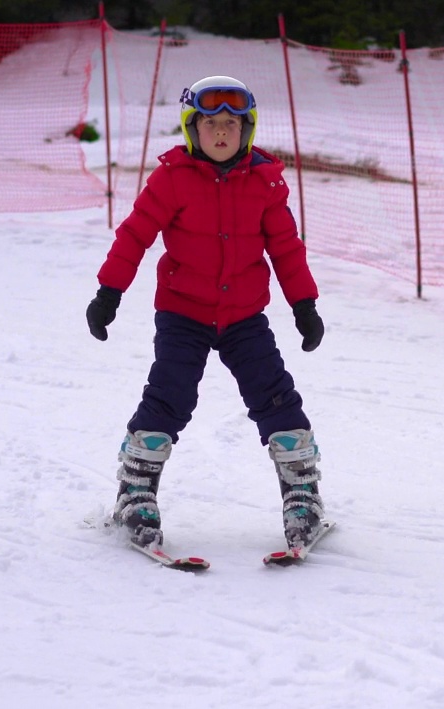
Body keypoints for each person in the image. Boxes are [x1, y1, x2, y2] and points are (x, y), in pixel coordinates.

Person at [85, 75, 327, 552]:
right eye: (211, 123)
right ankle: (135, 492)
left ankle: (303, 494)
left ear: (247, 131)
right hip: (183, 314)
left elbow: (286, 248)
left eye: (232, 125)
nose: (221, 133)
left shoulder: (264, 182)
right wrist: (108, 293)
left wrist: (305, 305)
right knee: (169, 395)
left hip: (244, 318)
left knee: (275, 395)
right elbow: (135, 235)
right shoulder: (172, 178)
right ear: (192, 129)